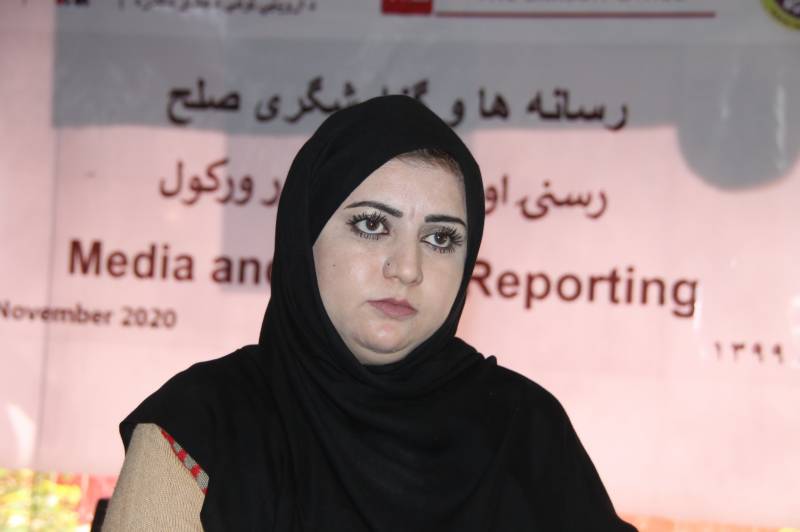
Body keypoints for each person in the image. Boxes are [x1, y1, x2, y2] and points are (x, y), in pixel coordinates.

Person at [103, 95, 636, 531]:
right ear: (304, 237)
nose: (407, 268)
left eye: (440, 238)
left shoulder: (525, 432)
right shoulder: (200, 428)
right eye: (372, 225)